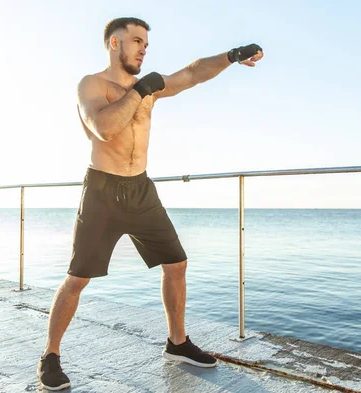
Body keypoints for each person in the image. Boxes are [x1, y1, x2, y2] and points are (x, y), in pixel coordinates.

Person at [37, 16, 263, 391]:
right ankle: (51, 355)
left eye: (146, 43)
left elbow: (192, 73)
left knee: (176, 263)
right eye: (137, 41)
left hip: (141, 188)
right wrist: (141, 90)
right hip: (102, 192)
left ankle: (177, 343)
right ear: (114, 44)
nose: (144, 48)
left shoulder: (149, 87)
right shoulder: (92, 85)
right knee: (78, 278)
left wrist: (232, 55)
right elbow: (104, 128)